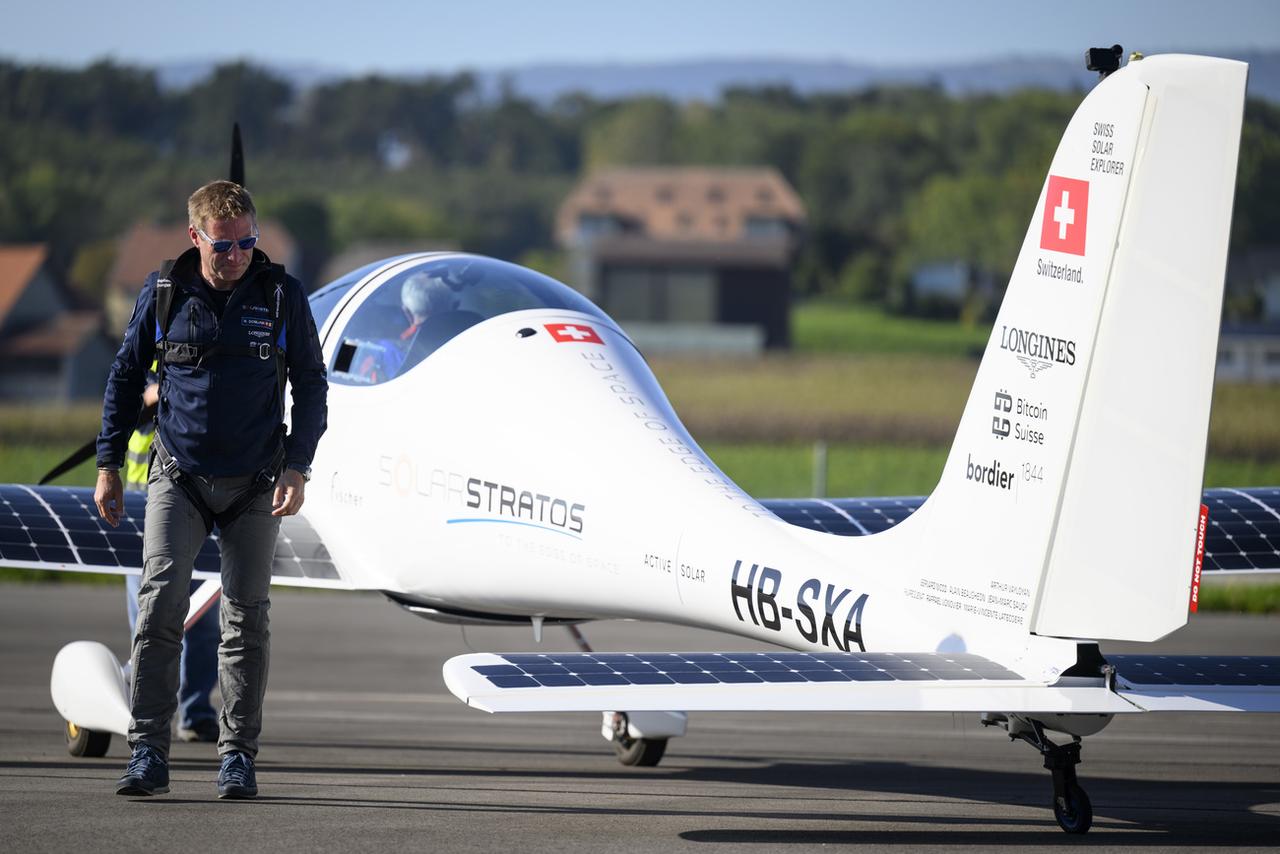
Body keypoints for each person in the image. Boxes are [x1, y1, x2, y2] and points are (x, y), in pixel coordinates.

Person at [95, 180, 327, 800]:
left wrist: (298, 466)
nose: (237, 256)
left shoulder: (281, 295)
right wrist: (108, 464)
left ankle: (237, 758)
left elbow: (310, 382)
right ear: (195, 237)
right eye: (224, 246)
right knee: (161, 606)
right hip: (179, 476)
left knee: (246, 619)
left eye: (248, 243)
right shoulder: (165, 292)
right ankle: (148, 751)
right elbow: (123, 377)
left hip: (255, 483)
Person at [123, 377, 220, 744]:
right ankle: (143, 711)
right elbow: (117, 400)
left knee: (204, 612)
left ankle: (195, 710)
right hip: (142, 501)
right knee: (149, 612)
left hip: (197, 495)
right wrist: (151, 393)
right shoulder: (145, 349)